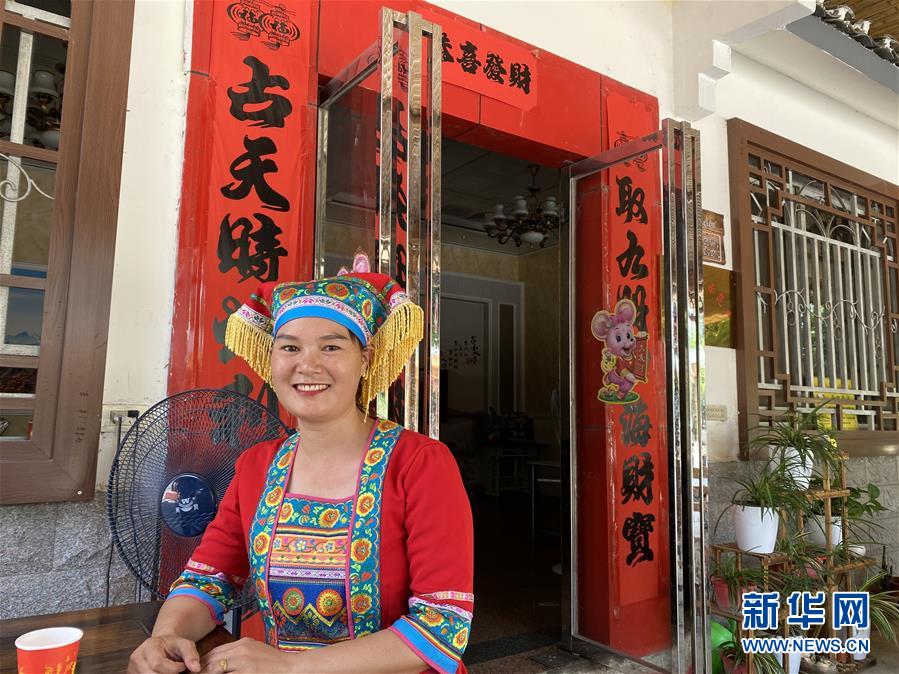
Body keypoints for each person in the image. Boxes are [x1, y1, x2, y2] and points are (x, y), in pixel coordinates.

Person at [128, 272, 474, 674]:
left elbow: (443, 626)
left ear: (365, 359)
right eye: (290, 347)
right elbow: (208, 579)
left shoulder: (420, 464)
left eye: (331, 346)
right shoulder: (257, 465)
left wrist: (292, 666)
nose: (307, 365)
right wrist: (165, 636)